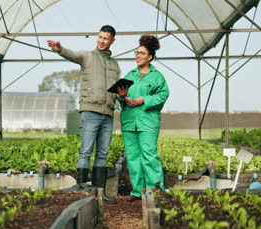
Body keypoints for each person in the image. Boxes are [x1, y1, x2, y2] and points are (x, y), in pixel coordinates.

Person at [47, 25, 120, 204]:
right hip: (90, 111)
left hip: (108, 114)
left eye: (106, 38)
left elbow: (117, 89)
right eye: (100, 37)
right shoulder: (87, 56)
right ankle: (81, 191)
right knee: (86, 151)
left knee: (102, 153)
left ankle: (99, 193)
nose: (102, 41)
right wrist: (60, 49)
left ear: (112, 41)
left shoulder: (114, 64)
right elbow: (73, 55)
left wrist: (123, 97)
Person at [117, 34, 170, 202]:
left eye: (142, 53)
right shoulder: (129, 75)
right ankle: (137, 191)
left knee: (149, 154)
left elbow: (163, 95)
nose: (138, 56)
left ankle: (155, 188)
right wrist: (123, 97)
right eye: (136, 52)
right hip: (129, 121)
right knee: (132, 157)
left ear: (150, 57)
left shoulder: (157, 76)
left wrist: (144, 99)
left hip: (148, 122)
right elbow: (119, 96)